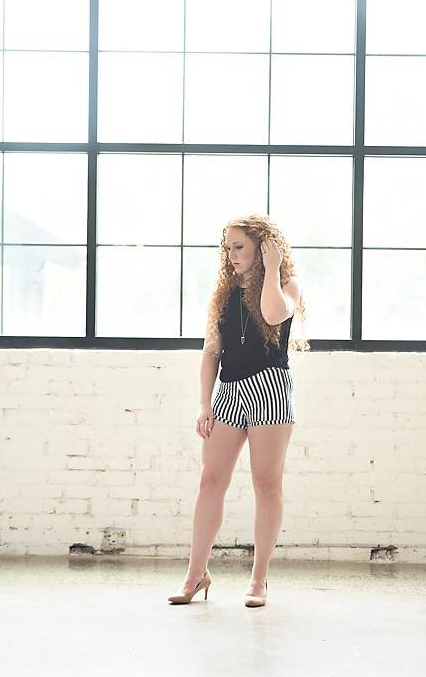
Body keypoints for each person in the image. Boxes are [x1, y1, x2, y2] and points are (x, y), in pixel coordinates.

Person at [169, 214, 306, 607]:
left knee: (266, 485)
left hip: (270, 389)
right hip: (227, 392)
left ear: (264, 247)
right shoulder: (223, 293)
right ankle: (196, 575)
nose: (230, 255)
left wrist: (274, 269)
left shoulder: (287, 285)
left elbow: (272, 316)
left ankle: (258, 581)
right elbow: (212, 352)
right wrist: (204, 403)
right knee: (210, 481)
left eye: (239, 247)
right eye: (227, 247)